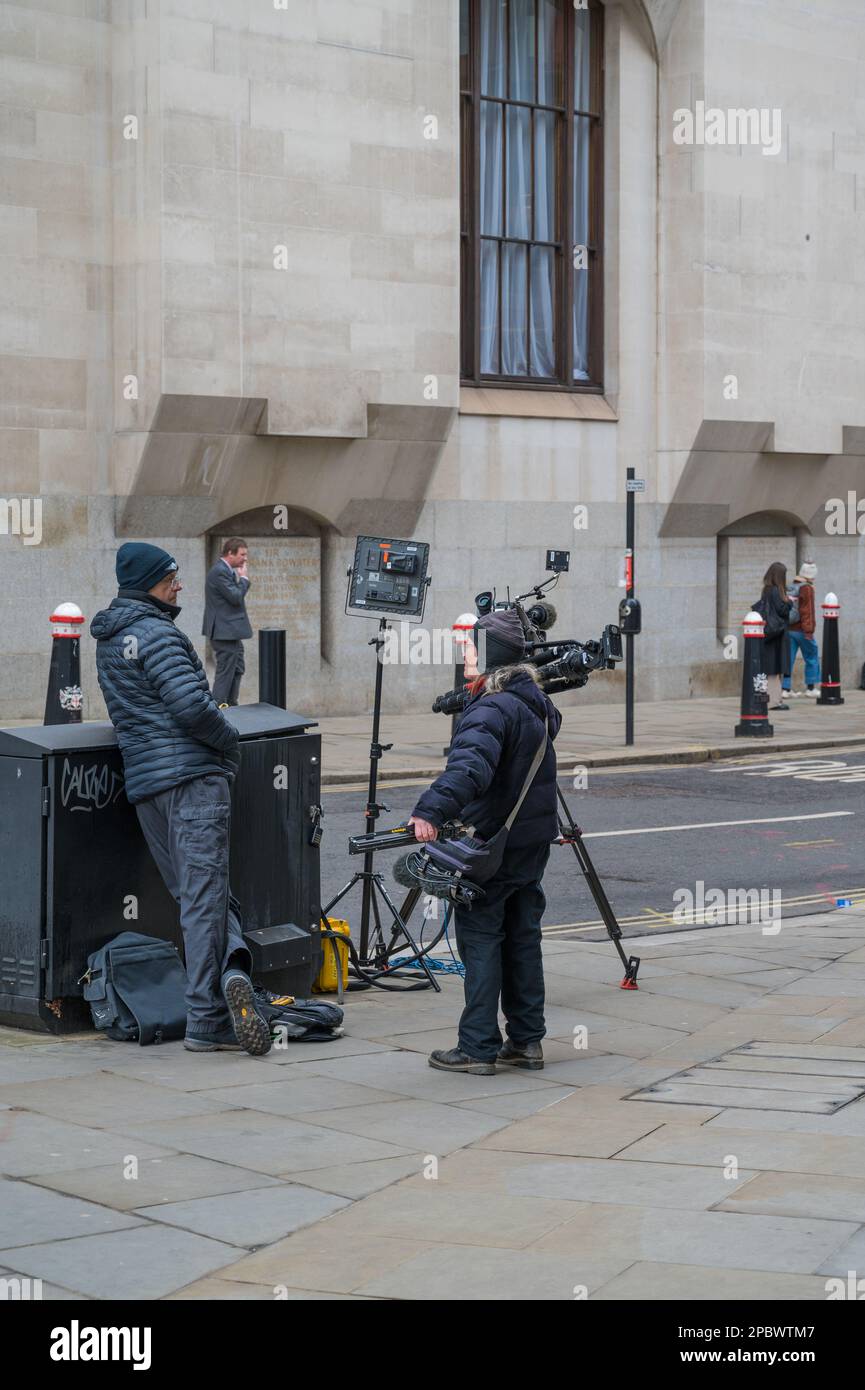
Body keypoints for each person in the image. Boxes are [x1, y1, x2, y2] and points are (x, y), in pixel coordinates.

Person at [91, 542, 271, 1056]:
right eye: (170, 575)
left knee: (199, 896)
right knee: (204, 897)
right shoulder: (158, 634)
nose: (180, 583)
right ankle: (206, 1018)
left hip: (147, 785)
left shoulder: (110, 639)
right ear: (147, 581)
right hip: (193, 778)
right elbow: (194, 709)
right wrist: (230, 741)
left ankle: (233, 969)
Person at [408, 608, 561, 1075]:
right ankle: (527, 1043)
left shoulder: (493, 707)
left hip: (492, 845)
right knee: (522, 937)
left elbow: (469, 769)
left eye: (472, 644)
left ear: (492, 652)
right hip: (529, 843)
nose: (465, 652)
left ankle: (477, 1047)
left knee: (481, 939)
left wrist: (429, 810)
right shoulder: (533, 702)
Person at [203, 538, 252, 707]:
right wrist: (244, 579)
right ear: (230, 553)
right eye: (242, 554)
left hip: (231, 632)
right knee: (226, 672)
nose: (245, 558)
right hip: (223, 632)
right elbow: (235, 596)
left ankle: (232, 704)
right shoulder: (219, 571)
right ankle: (219, 708)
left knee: (237, 667)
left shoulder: (226, 570)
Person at [756, 560, 793, 711]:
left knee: (773, 667)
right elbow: (782, 610)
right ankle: (773, 702)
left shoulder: (767, 589)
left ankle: (776, 699)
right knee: (773, 668)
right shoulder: (776, 590)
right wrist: (790, 602)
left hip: (770, 633)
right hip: (776, 634)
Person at [782, 560, 820, 698]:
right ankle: (811, 688)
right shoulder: (807, 588)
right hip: (802, 630)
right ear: (810, 575)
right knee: (812, 656)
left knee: (788, 659)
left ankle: (785, 689)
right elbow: (807, 611)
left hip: (789, 629)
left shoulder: (792, 586)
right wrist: (809, 631)